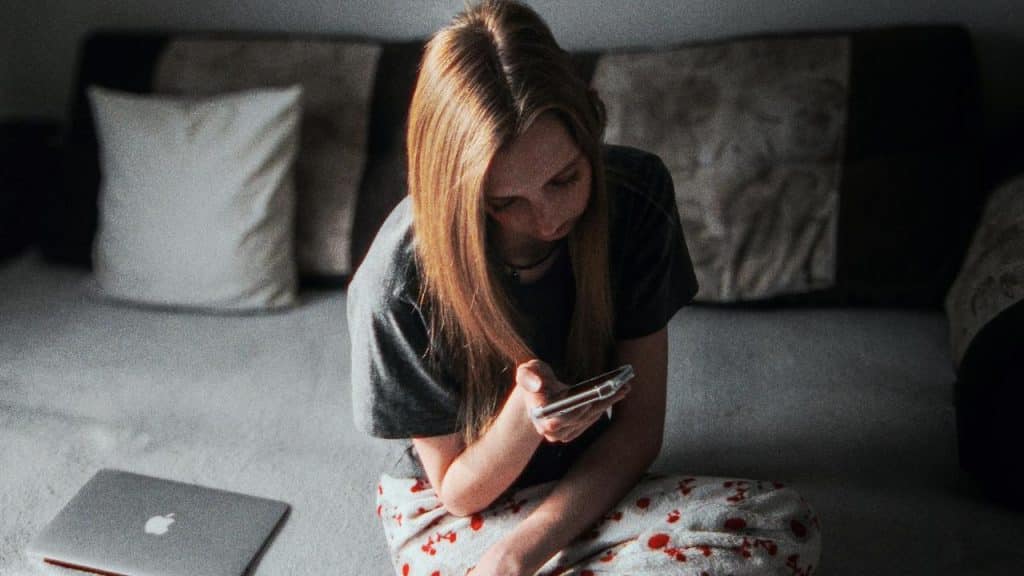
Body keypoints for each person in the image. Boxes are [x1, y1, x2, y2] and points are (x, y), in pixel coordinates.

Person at [348, 1, 822, 574]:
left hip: (589, 482)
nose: (547, 219)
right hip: (454, 506)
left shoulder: (637, 198)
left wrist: (519, 554)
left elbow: (639, 430)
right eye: (506, 203)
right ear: (459, 193)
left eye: (564, 179)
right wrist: (524, 417)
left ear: (590, 130)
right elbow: (457, 491)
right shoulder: (399, 282)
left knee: (780, 521)